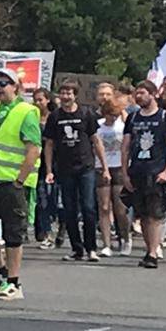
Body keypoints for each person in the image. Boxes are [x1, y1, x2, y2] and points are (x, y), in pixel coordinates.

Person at [0, 67, 39, 300]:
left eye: (4, 83)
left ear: (16, 87)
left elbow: (33, 148)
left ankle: (13, 282)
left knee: (13, 234)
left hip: (12, 182)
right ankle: (0, 273)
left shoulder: (26, 111)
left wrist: (20, 180)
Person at [43, 79, 105, 261]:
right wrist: (49, 170)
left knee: (88, 208)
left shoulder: (86, 113)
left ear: (75, 95)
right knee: (69, 210)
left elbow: (96, 140)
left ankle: (91, 248)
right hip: (64, 168)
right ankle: (77, 249)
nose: (65, 96)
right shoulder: (55, 116)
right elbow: (49, 144)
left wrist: (104, 167)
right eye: (62, 93)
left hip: (85, 166)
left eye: (69, 93)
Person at [120, 81, 166, 269]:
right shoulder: (133, 118)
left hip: (156, 172)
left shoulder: (165, 118)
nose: (139, 96)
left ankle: (153, 252)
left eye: (143, 93)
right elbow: (126, 147)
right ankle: (148, 249)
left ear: (153, 94)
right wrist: (125, 174)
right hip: (137, 170)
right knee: (143, 215)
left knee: (155, 214)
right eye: (137, 93)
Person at [96, 88, 130, 258]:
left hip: (118, 166)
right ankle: (106, 243)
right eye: (110, 114)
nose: (112, 118)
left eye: (115, 115)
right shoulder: (99, 127)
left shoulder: (122, 126)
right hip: (102, 167)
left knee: (120, 208)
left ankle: (125, 237)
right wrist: (104, 168)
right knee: (103, 206)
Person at [31, 88, 57, 249]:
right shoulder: (32, 117)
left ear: (48, 100)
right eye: (36, 99)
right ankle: (44, 230)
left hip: (56, 162)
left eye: (41, 99)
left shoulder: (54, 117)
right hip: (37, 163)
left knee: (55, 199)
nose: (38, 102)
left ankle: (59, 229)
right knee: (42, 199)